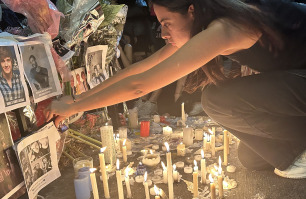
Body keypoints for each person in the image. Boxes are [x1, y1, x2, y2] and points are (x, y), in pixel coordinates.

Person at [46, 0, 306, 179]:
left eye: (167, 22)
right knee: (251, 157)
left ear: (192, 10)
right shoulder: (206, 25)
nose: (162, 32)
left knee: (217, 101)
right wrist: (77, 99)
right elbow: (138, 70)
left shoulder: (226, 28)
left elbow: (140, 86)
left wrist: (75, 108)